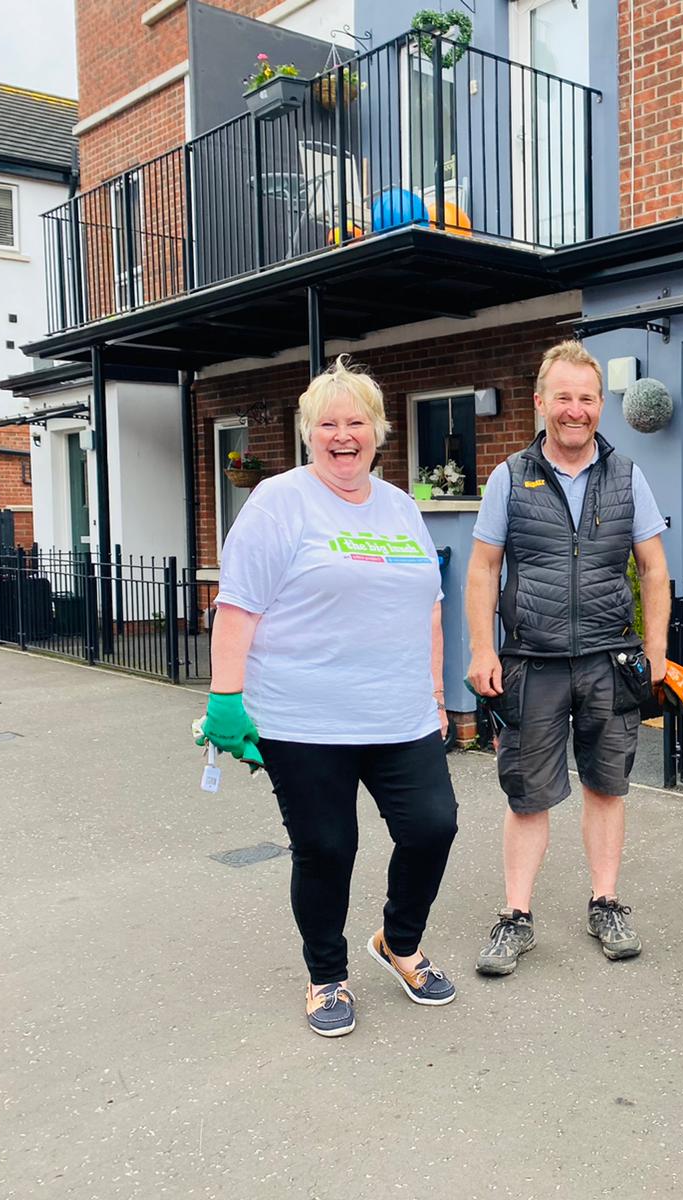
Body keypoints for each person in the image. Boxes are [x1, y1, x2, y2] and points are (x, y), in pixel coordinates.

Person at [199, 357, 459, 1038]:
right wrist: (227, 699)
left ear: (378, 431)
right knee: (327, 847)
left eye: (356, 423)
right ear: (308, 432)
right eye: (328, 424)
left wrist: (435, 696)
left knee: (434, 827)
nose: (343, 436)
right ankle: (326, 975)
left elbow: (429, 608)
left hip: (399, 714)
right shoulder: (278, 502)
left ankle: (398, 943)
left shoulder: (400, 506)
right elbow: (237, 609)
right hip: (303, 717)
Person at [465, 341, 683, 976]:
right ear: (541, 403)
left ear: (601, 406)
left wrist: (657, 654)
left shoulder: (628, 476)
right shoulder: (509, 475)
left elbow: (653, 569)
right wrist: (482, 649)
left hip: (607, 660)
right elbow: (483, 570)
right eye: (563, 398)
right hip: (529, 662)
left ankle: (606, 902)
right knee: (527, 796)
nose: (575, 410)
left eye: (587, 399)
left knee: (607, 786)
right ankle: (516, 916)